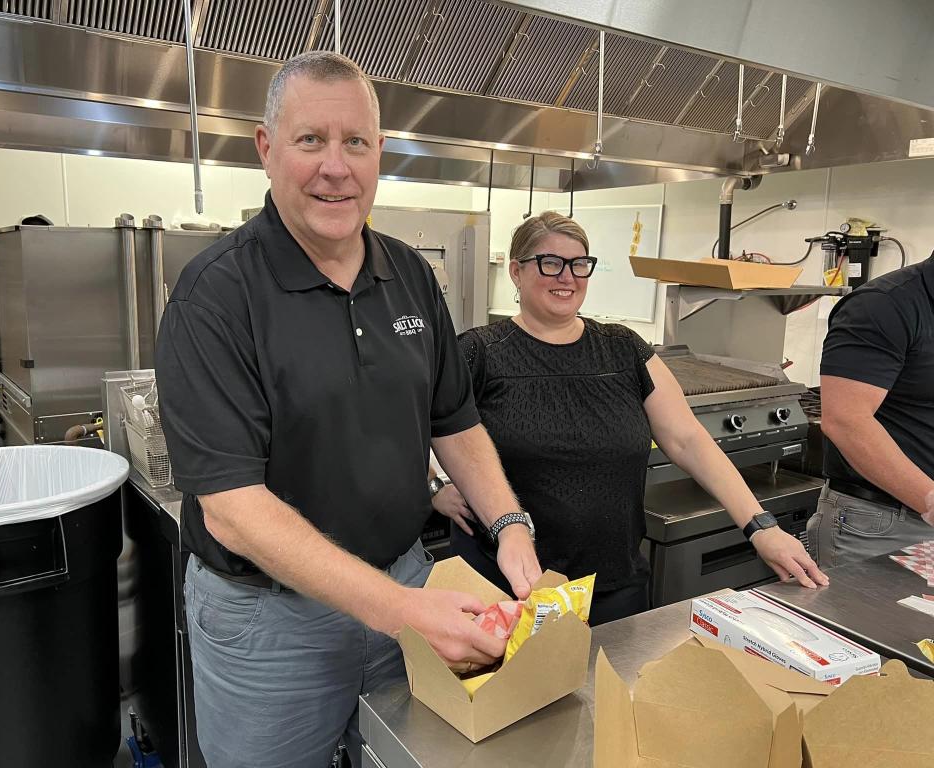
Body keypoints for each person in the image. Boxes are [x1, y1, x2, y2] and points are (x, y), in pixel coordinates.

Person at [154, 52, 540, 768]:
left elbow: (452, 420)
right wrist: (401, 611)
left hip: (405, 585)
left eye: (356, 142)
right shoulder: (215, 295)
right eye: (311, 141)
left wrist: (510, 527)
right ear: (267, 149)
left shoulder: (410, 274)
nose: (336, 167)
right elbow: (233, 508)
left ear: (379, 153)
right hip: (268, 624)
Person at [433, 211, 827, 625]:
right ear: (516, 271)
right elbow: (415, 427)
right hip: (506, 586)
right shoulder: (480, 352)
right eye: (550, 263)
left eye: (579, 265)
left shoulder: (623, 349)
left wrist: (761, 526)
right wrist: (434, 486)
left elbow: (687, 440)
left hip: (613, 581)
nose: (566, 277)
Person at [810, 252, 934, 567]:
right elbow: (845, 422)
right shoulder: (884, 305)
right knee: (870, 618)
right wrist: (930, 499)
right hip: (881, 526)